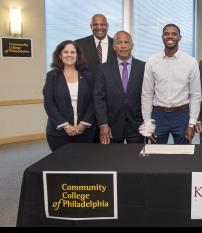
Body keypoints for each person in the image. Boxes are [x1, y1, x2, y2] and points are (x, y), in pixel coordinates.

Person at [141, 23, 202, 144]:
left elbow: (196, 95)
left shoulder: (191, 62)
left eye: (174, 34)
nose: (170, 37)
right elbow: (147, 94)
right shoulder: (151, 61)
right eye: (166, 34)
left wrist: (192, 123)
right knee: (156, 154)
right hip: (158, 115)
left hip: (182, 116)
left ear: (179, 37)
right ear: (162, 37)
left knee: (183, 155)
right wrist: (148, 123)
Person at [43, 40, 95, 152]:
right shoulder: (52, 76)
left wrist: (83, 124)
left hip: (84, 132)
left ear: (77, 55)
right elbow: (49, 103)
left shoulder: (87, 76)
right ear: (60, 55)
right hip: (59, 134)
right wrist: (66, 126)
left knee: (83, 164)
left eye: (73, 52)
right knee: (62, 166)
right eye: (66, 52)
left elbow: (93, 102)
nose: (69, 55)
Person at [94, 31, 145, 144]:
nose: (123, 46)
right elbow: (99, 99)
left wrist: (147, 122)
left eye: (126, 42)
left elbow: (148, 96)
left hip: (138, 125)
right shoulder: (103, 69)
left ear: (132, 45)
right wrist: (103, 124)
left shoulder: (143, 67)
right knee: (113, 159)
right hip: (111, 126)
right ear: (113, 46)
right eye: (119, 42)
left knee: (138, 158)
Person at [76, 14, 116, 143]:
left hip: (111, 106)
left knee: (110, 146)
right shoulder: (79, 45)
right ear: (91, 26)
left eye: (102, 24)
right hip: (87, 104)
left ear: (107, 26)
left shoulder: (117, 45)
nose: (99, 27)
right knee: (87, 146)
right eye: (96, 24)